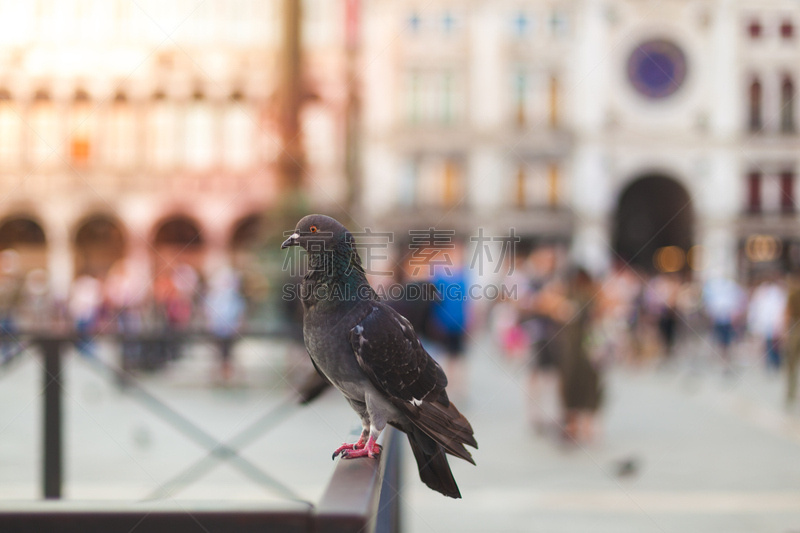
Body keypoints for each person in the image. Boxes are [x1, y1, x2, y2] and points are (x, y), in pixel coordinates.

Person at [553, 268, 603, 444]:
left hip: (581, 350)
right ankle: (581, 426)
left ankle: (578, 425)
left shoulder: (588, 295)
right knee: (584, 386)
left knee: (577, 385)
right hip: (582, 350)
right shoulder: (582, 295)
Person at [205, 267, 246, 383]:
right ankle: (219, 377)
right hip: (217, 332)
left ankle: (229, 376)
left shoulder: (235, 297)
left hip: (230, 332)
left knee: (229, 355)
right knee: (218, 355)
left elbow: (240, 314)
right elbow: (209, 314)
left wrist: (237, 326)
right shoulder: (213, 297)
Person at [747, 274, 787, 370]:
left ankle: (775, 362)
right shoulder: (761, 293)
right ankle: (770, 363)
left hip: (774, 322)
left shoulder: (778, 293)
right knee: (767, 344)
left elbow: (781, 308)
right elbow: (755, 309)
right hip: (766, 323)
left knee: (775, 344)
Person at [785, 272, 800, 409]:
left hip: (796, 328)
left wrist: (785, 331)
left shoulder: (793, 292)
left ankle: (791, 392)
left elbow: (787, 313)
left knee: (792, 363)